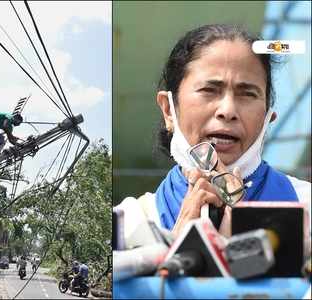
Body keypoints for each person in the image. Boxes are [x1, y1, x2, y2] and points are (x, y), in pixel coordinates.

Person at [116, 24, 310, 246]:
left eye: (247, 93)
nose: (227, 111)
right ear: (169, 110)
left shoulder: (306, 209)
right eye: (209, 90)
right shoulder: (128, 226)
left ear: (268, 117)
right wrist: (167, 257)